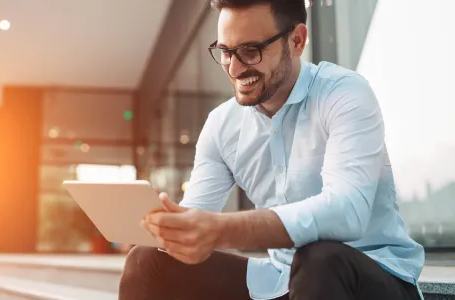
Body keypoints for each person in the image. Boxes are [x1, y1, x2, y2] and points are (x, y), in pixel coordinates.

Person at [118, 0, 425, 299]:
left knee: (320, 259)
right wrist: (170, 228)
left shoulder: (343, 93)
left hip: (373, 276)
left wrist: (221, 229)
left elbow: (346, 213)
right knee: (146, 262)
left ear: (297, 40)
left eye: (251, 51)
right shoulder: (222, 125)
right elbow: (197, 217)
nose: (235, 68)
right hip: (281, 279)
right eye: (225, 52)